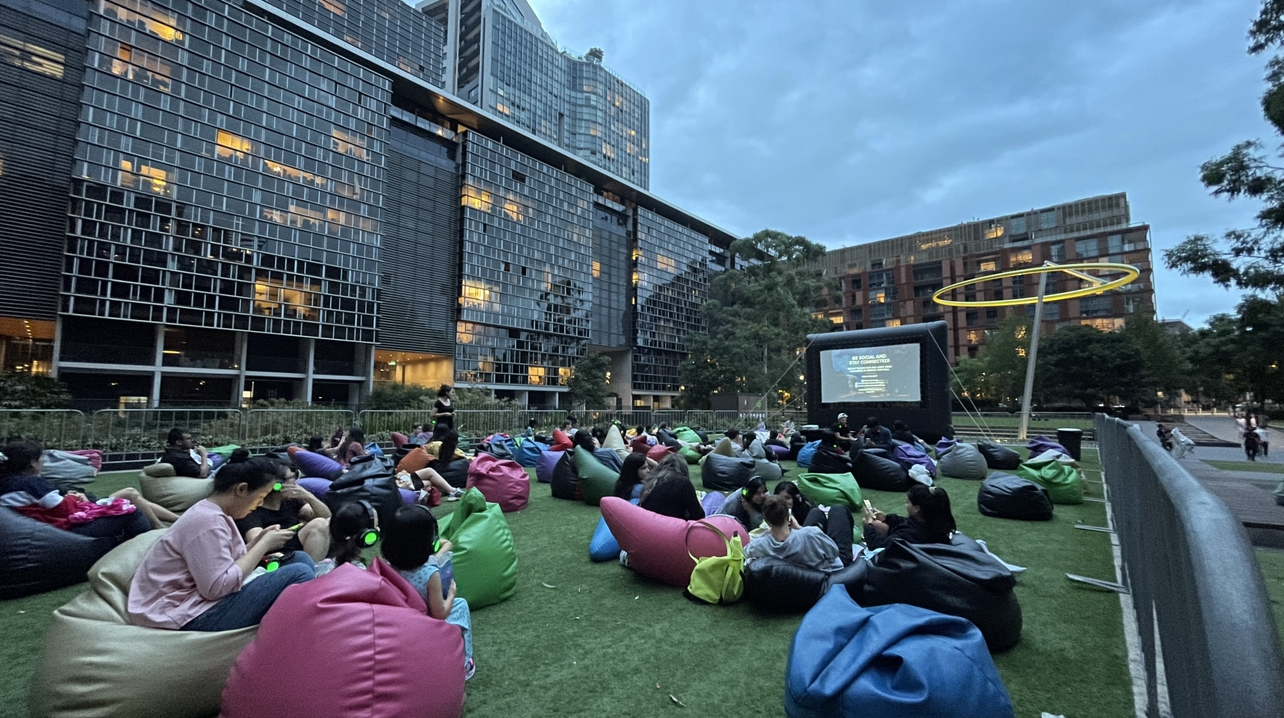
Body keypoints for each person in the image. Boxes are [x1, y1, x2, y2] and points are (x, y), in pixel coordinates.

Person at [128, 450, 316, 631]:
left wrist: (258, 541)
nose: (260, 504)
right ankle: (292, 632)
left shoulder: (213, 513)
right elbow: (216, 588)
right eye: (260, 497)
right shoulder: (206, 522)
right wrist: (264, 545)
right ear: (241, 489)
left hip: (197, 600)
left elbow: (224, 561)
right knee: (299, 573)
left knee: (300, 559)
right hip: (184, 613)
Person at [381, 505, 474, 680]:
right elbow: (439, 613)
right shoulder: (429, 573)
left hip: (400, 624)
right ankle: (465, 664)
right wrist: (452, 593)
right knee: (461, 605)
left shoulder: (386, 569)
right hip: (426, 624)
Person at [0, 439, 162, 537]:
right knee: (130, 511)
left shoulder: (7, 480)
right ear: (33, 462)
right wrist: (75, 498)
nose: (44, 462)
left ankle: (160, 528)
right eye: (41, 458)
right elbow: (63, 510)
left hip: (41, 526)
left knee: (128, 497)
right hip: (59, 529)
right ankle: (148, 542)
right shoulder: (31, 483)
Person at [235, 466, 332, 562]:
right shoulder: (251, 511)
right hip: (278, 556)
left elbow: (327, 517)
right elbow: (257, 543)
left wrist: (308, 496)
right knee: (319, 524)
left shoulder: (290, 500)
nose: (295, 481)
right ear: (278, 485)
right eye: (292, 477)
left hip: (298, 545)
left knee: (327, 523)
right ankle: (313, 572)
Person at [743, 495, 854, 572]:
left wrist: (766, 533)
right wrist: (800, 528)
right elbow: (833, 552)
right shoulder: (810, 534)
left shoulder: (760, 545)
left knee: (815, 512)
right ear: (788, 516)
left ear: (767, 521)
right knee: (838, 510)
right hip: (829, 572)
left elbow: (745, 552)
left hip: (800, 575)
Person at [862, 484, 956, 550]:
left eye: (908, 502)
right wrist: (886, 518)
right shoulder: (939, 525)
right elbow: (908, 522)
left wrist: (868, 526)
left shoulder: (907, 534)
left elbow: (878, 547)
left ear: (916, 508)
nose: (906, 505)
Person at [313, 500, 378, 577]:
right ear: (366, 534)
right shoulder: (359, 572)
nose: (378, 528)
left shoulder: (322, 565)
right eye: (375, 526)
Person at [639, 453, 704, 521]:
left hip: (648, 523)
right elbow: (698, 516)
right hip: (672, 526)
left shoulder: (652, 480)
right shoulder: (683, 482)